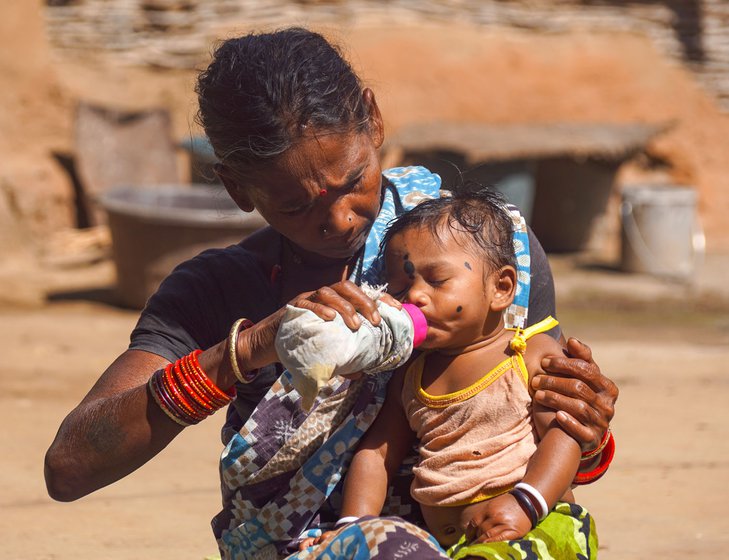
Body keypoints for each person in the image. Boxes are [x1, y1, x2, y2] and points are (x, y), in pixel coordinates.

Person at [43, 27, 618, 559]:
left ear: (373, 121)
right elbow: (68, 469)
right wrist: (245, 352)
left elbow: (535, 432)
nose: (342, 221)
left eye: (353, 181)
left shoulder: (482, 246)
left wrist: (583, 426)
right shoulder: (218, 289)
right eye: (297, 206)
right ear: (237, 188)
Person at [299, 186, 606, 558]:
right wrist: (353, 529)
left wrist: (526, 503)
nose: (415, 296)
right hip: (451, 546)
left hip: (541, 528)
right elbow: (376, 455)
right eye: (402, 285)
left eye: (437, 280)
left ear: (501, 288)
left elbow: (564, 436)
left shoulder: (527, 353)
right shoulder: (411, 375)